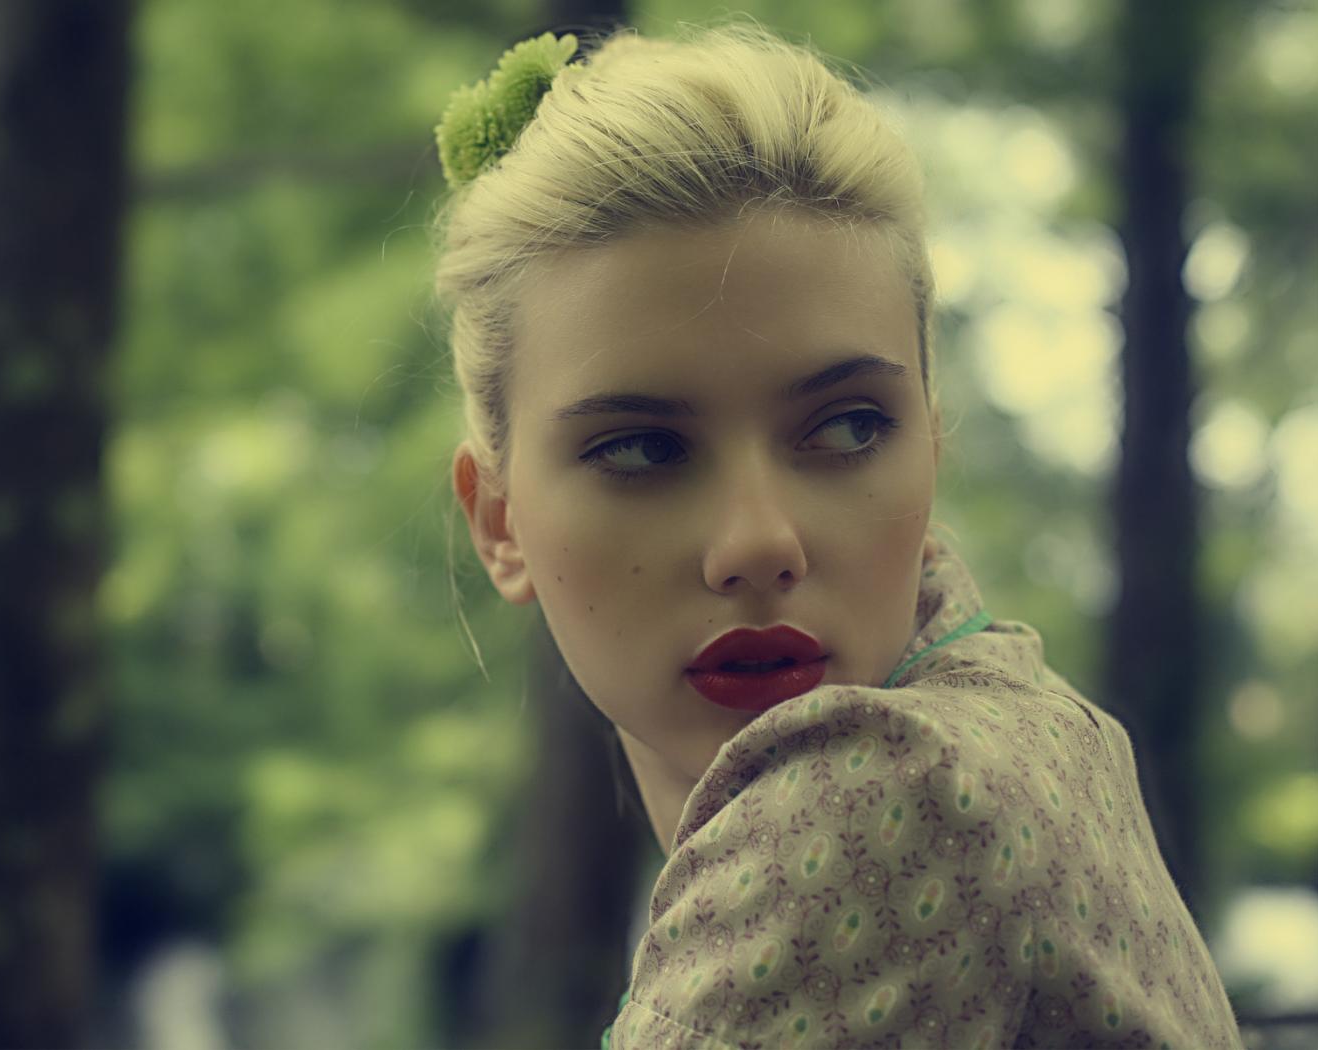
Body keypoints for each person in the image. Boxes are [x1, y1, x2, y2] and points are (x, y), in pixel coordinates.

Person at [434, 23, 1244, 1050]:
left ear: (930, 452)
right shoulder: (1015, 724)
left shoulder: (885, 792)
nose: (758, 543)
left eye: (849, 427)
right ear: (501, 523)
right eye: (641, 448)